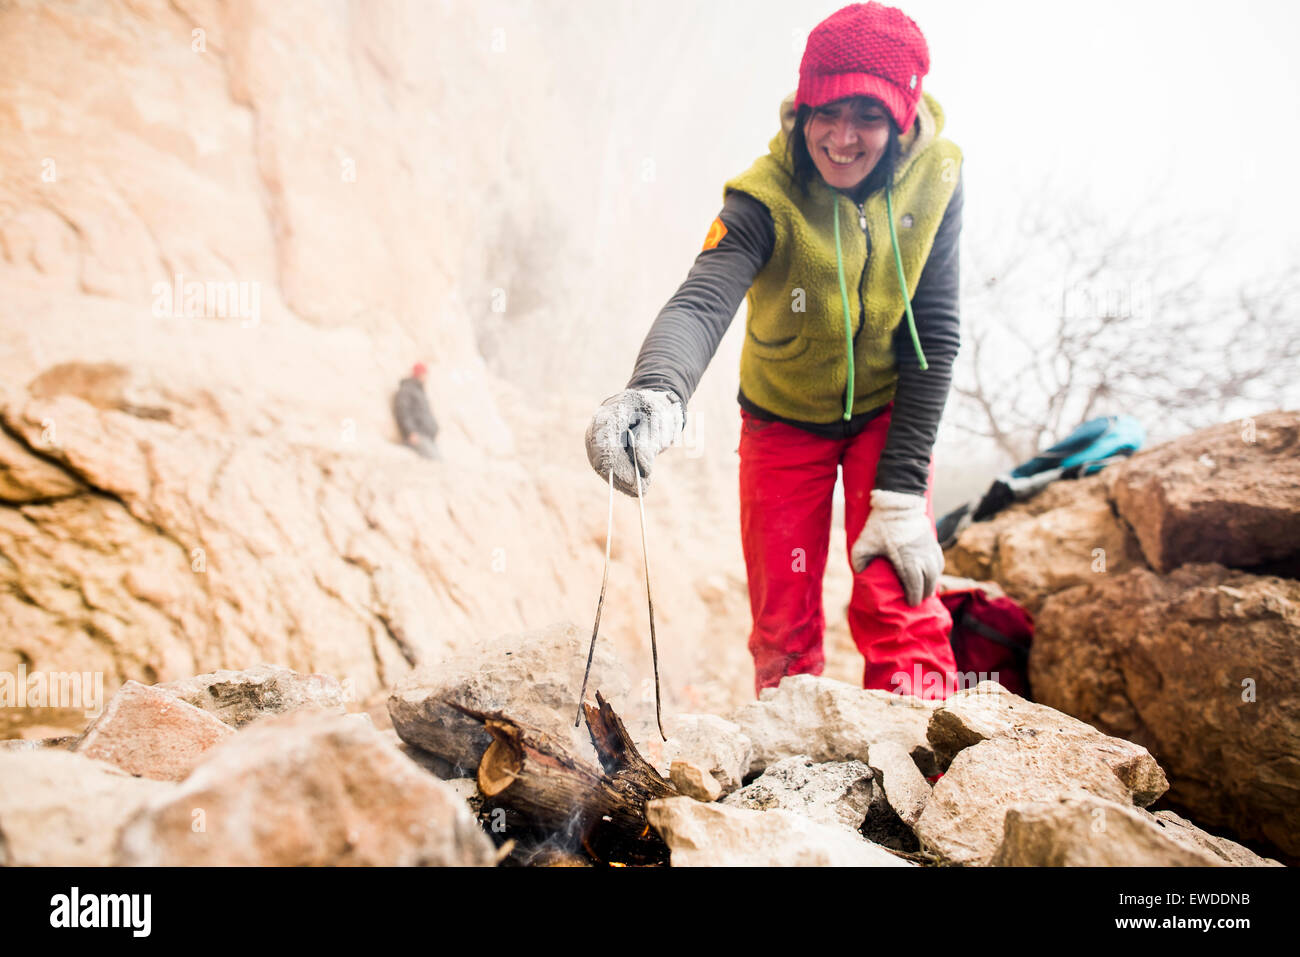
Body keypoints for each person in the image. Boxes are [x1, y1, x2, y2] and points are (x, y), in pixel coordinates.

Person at [584, 2, 963, 700]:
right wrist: (658, 390)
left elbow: (934, 330)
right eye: (826, 112)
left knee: (899, 597)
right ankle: (792, 774)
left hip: (890, 416)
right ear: (802, 106)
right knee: (782, 628)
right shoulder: (765, 197)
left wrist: (904, 490)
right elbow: (703, 299)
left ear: (903, 119)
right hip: (783, 422)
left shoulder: (937, 176)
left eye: (868, 117)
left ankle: (935, 776)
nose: (842, 138)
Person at [393, 361, 442, 460]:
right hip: (418, 435)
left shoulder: (419, 391)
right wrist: (410, 432)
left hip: (427, 437)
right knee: (436, 461)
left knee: (440, 463)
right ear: (419, 374)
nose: (426, 377)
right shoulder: (406, 390)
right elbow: (403, 412)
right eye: (424, 374)